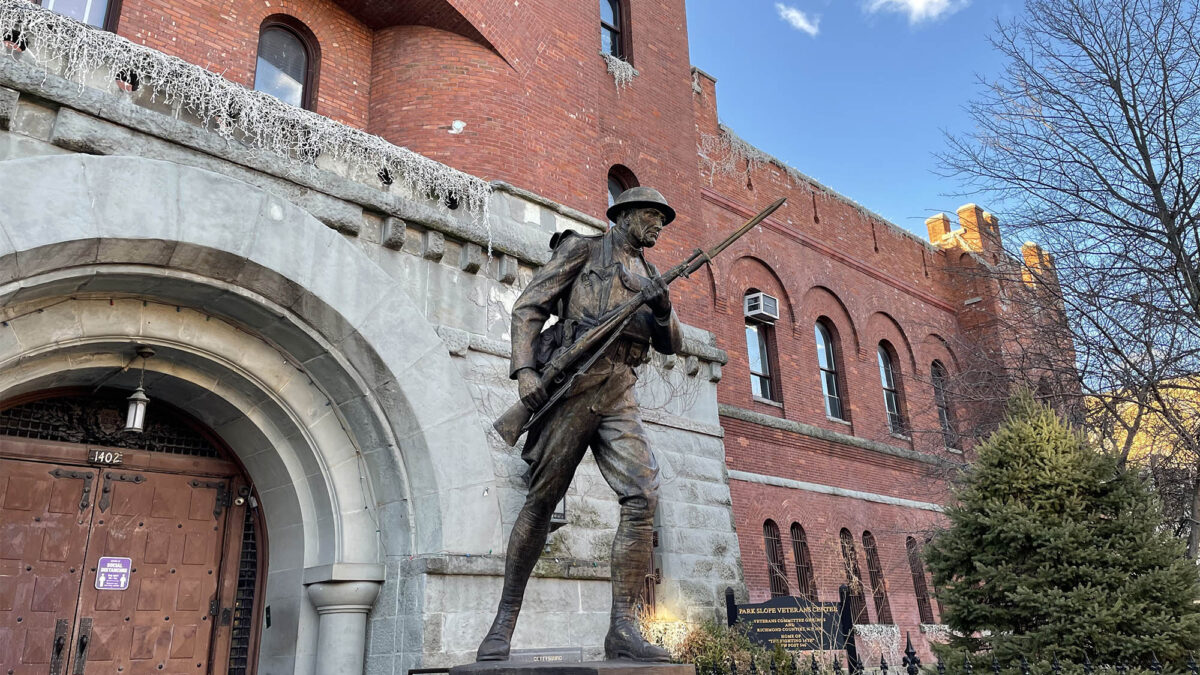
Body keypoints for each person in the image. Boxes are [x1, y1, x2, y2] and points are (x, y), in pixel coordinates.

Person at [476, 187, 684, 662]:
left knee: (642, 495)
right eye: (652, 216)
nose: (658, 226)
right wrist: (526, 371)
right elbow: (530, 306)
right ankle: (503, 622)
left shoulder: (651, 275)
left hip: (619, 390)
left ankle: (622, 628)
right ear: (626, 215)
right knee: (542, 500)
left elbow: (672, 344)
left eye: (662, 220)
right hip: (573, 383)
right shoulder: (583, 250)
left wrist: (664, 308)